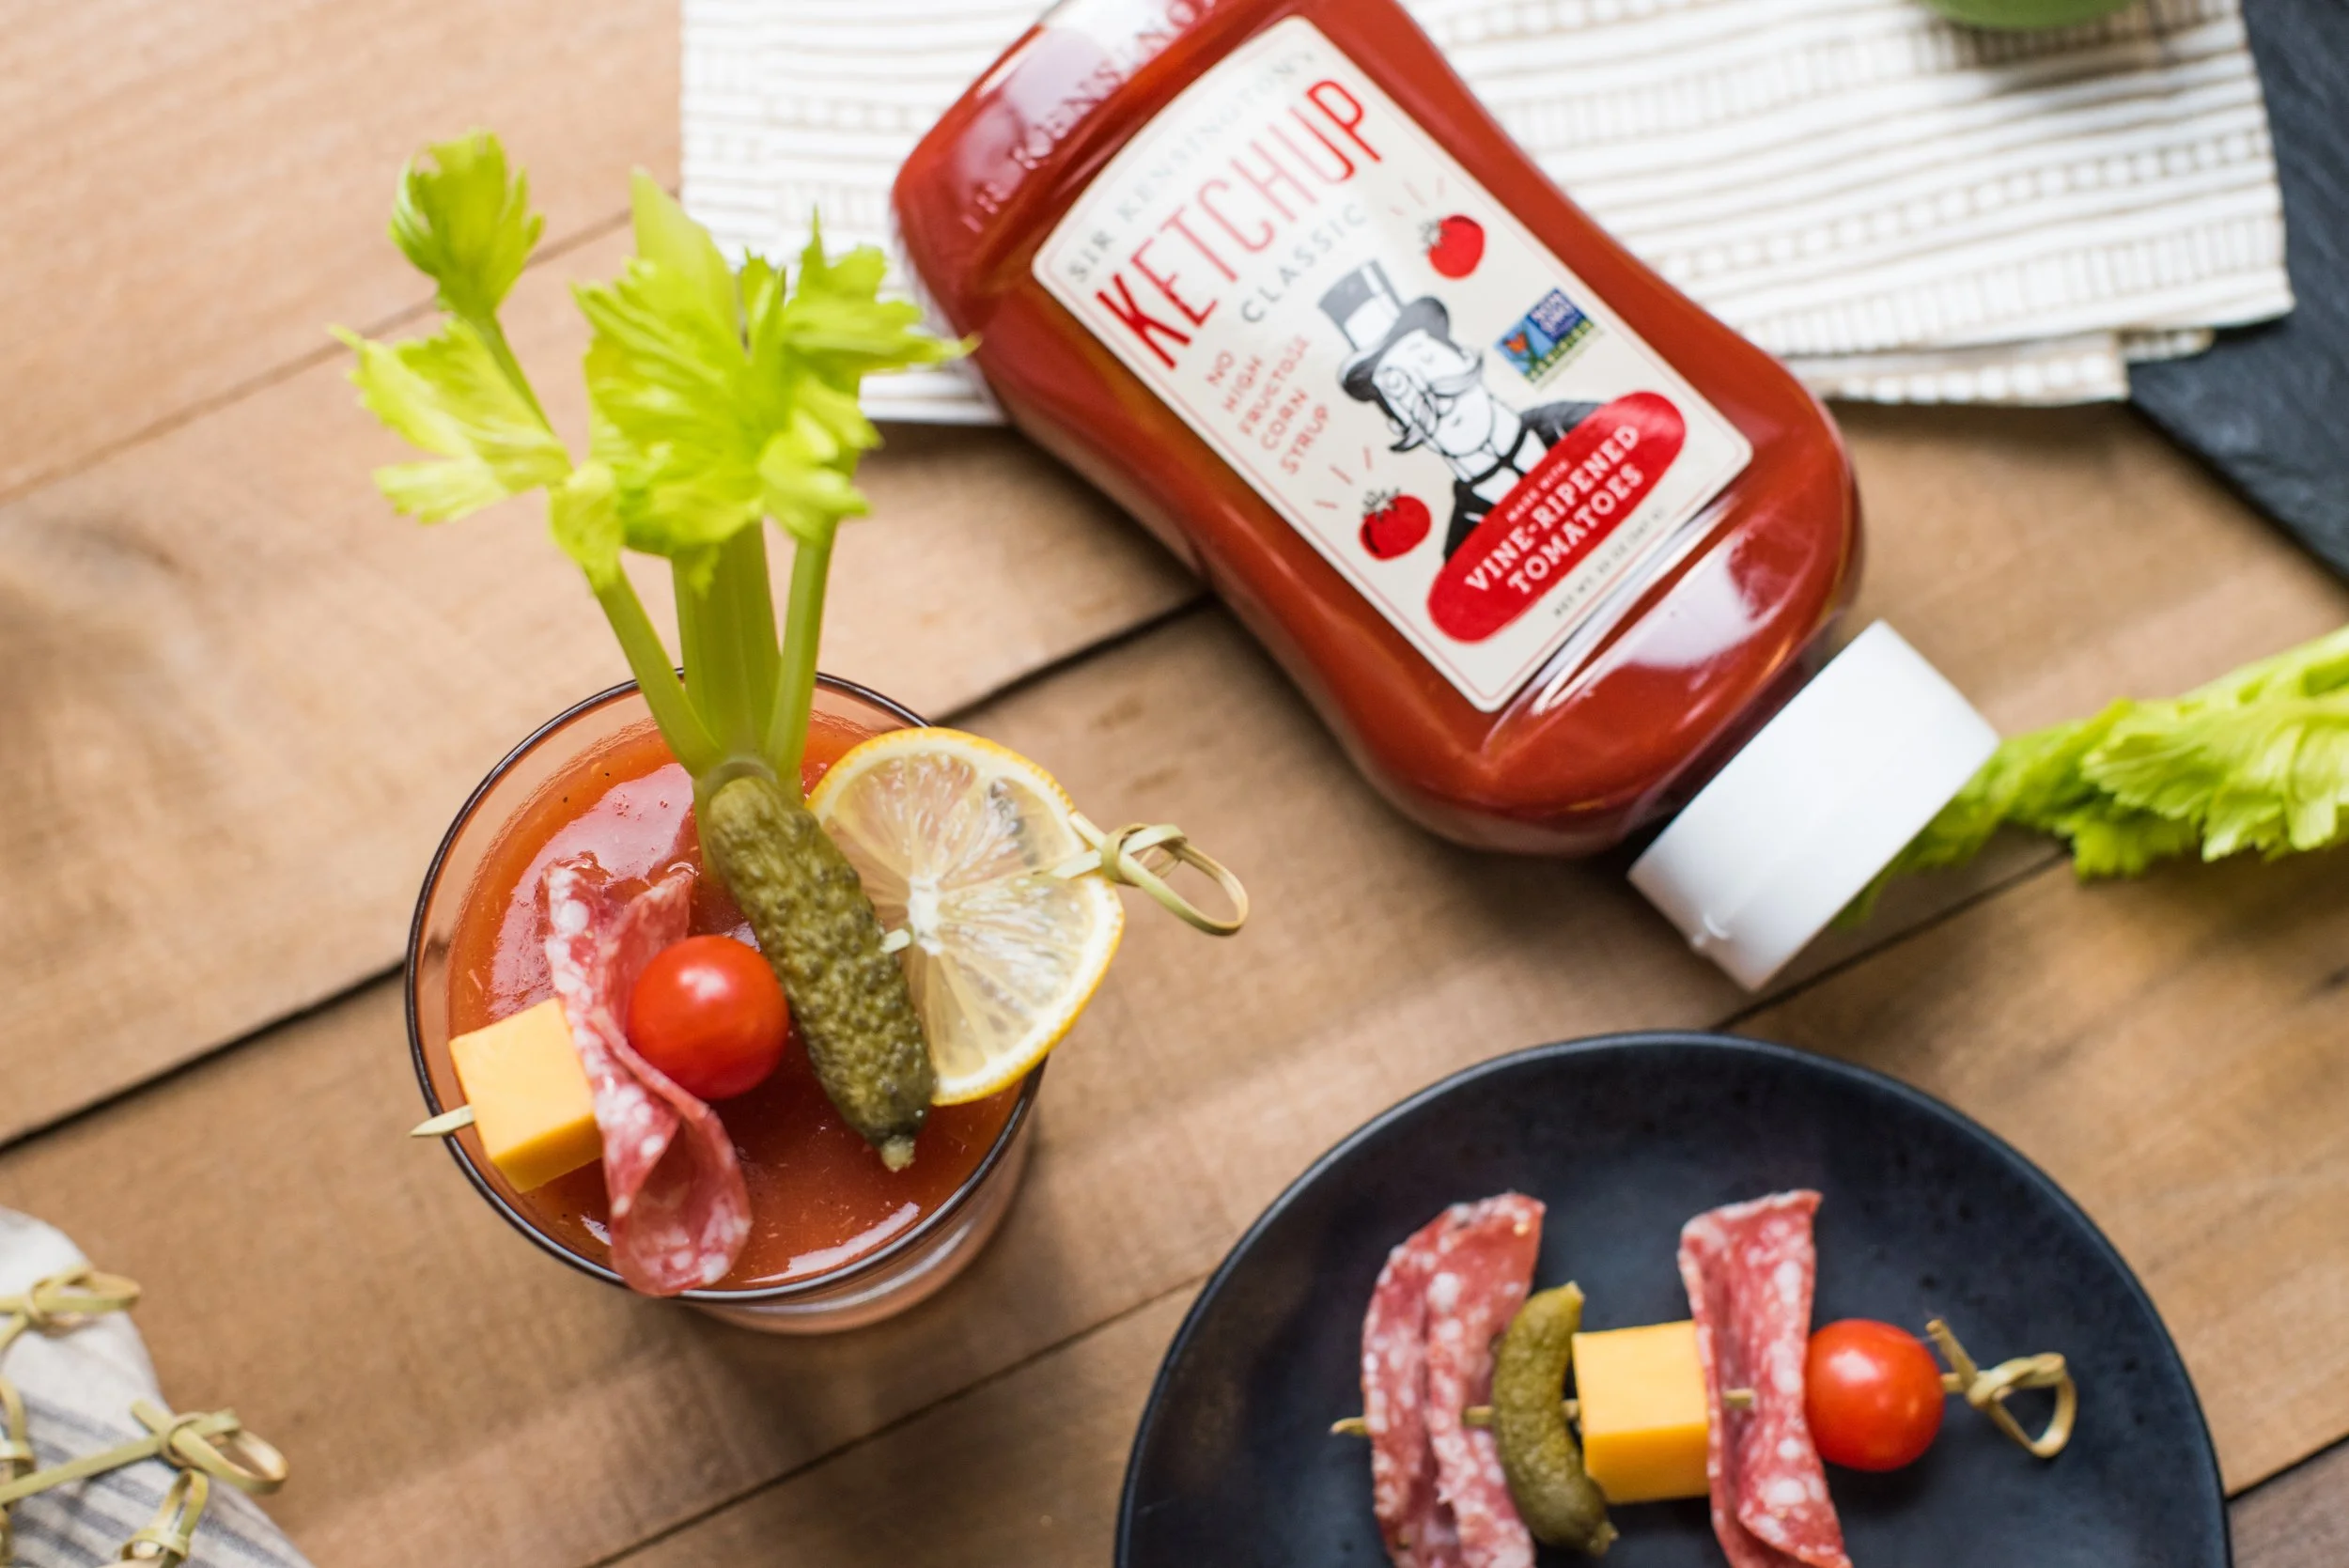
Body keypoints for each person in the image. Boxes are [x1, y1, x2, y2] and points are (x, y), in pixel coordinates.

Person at [1320, 261, 1598, 558]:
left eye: (1425, 359)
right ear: (1398, 425)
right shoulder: (1462, 553)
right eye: (1399, 386)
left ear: (1465, 356)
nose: (1432, 397)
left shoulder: (1585, 423)